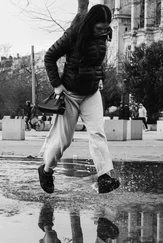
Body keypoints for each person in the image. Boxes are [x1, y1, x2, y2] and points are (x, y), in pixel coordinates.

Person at [37, 4, 120, 194]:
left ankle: (104, 177)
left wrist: (99, 79)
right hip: (70, 94)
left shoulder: (103, 36)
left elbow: (96, 62)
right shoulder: (74, 33)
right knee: (62, 141)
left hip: (91, 93)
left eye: (106, 28)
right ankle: (46, 170)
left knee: (98, 134)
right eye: (100, 28)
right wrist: (57, 84)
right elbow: (50, 56)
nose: (103, 32)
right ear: (91, 23)